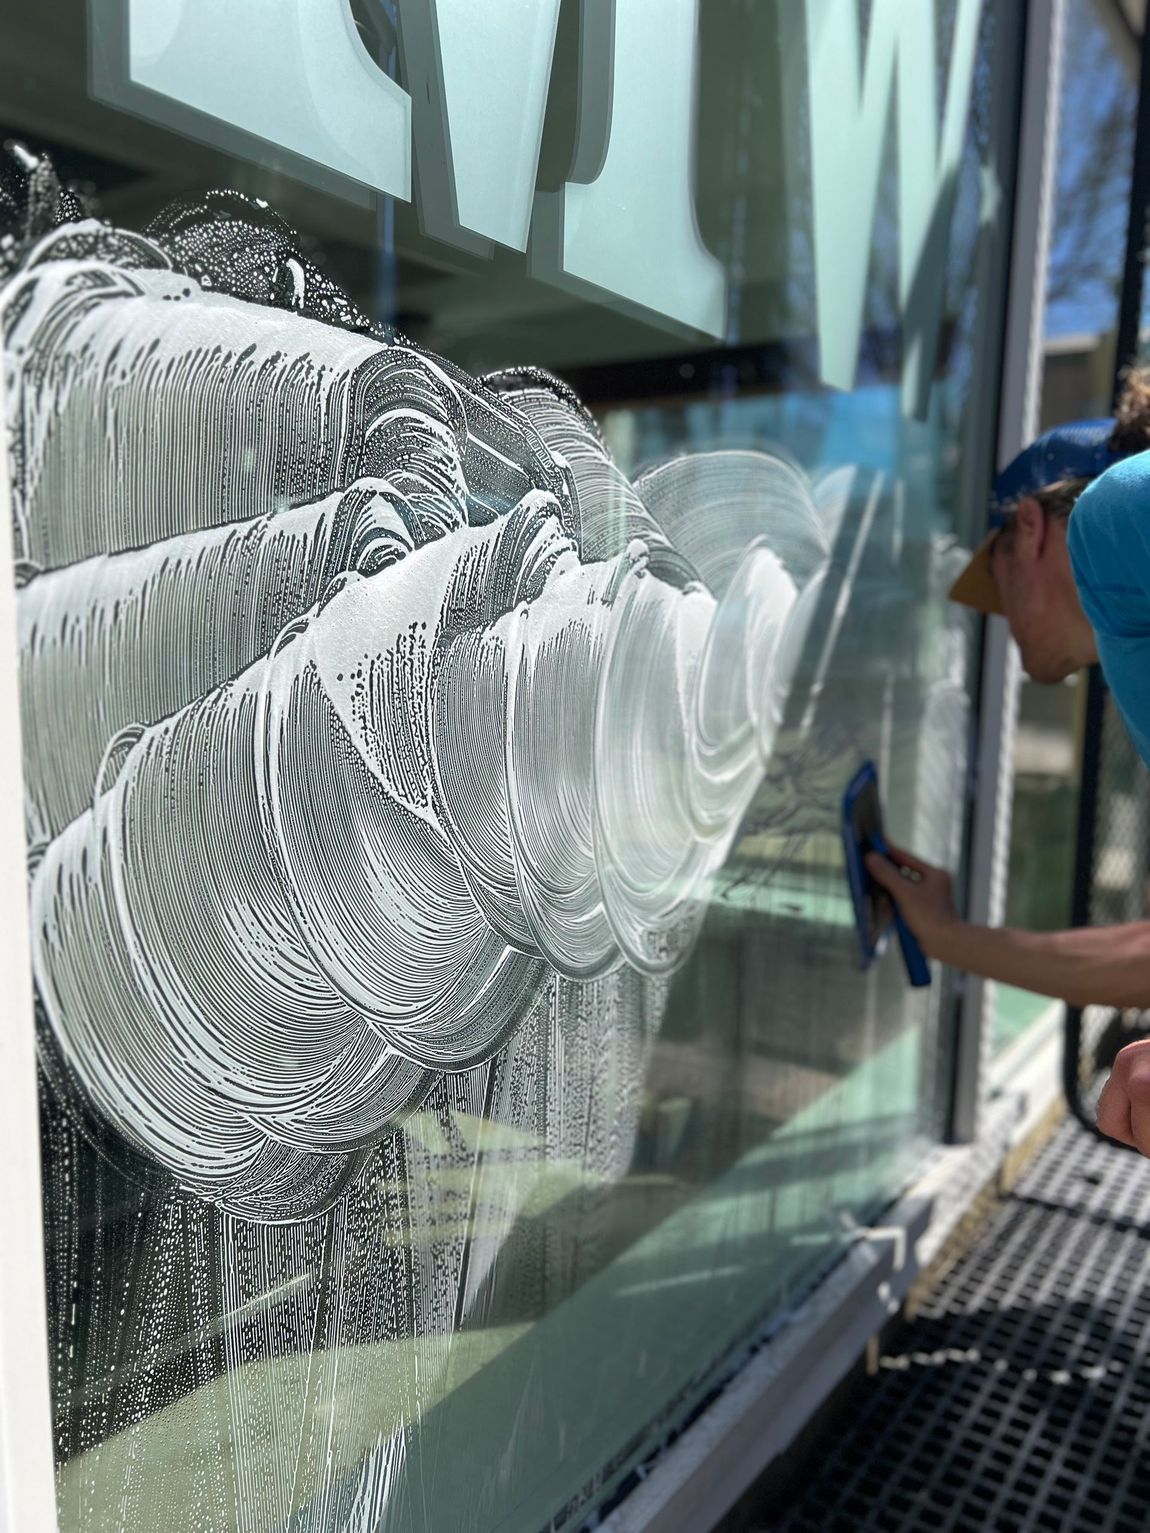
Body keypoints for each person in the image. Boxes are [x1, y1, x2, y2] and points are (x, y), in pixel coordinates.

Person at [867, 367, 1150, 1154]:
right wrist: (951, 938)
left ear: (1028, 528)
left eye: (991, 580)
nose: (1001, 621)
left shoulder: (1112, 518)